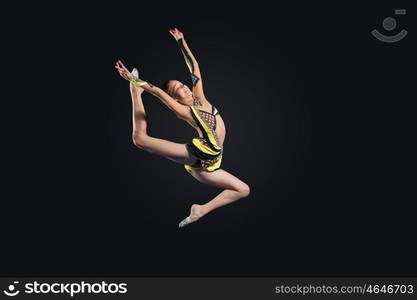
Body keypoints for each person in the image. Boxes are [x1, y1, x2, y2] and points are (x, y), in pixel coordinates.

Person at [115, 28, 250, 228]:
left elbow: (193, 66)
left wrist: (181, 42)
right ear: (176, 97)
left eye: (181, 83)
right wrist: (135, 81)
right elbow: (160, 93)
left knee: (243, 190)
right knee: (140, 139)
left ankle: (200, 210)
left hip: (212, 163)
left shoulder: (200, 96)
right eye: (177, 88)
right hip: (200, 153)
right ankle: (135, 93)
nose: (183, 86)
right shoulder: (184, 110)